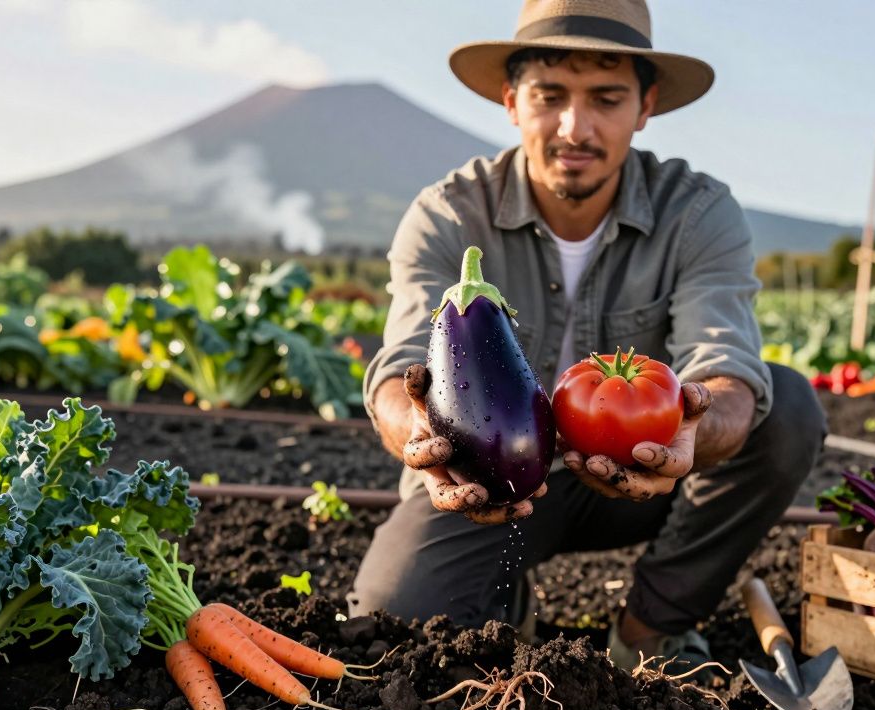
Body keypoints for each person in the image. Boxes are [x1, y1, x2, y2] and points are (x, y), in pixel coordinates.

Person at [346, 0, 825, 676]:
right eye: (549, 96)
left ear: (645, 106)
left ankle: (651, 626)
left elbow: (729, 366)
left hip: (646, 473)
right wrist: (417, 434)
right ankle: (504, 591)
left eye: (606, 98)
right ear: (512, 102)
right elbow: (400, 368)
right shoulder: (448, 214)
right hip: (490, 487)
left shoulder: (696, 212)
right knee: (390, 626)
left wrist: (693, 428)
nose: (576, 127)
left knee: (788, 411)